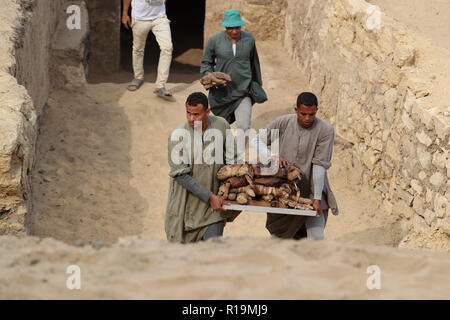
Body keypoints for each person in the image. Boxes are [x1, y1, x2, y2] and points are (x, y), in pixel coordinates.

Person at [250, 92, 339, 240]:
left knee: (315, 238)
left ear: (316, 110)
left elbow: (319, 165)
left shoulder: (325, 130)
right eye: (303, 114)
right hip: (285, 192)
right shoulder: (283, 122)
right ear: (296, 110)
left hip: (312, 190)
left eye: (312, 114)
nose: (307, 118)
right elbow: (256, 141)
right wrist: (272, 157)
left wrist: (316, 198)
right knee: (281, 239)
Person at [165, 92, 239, 243]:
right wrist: (209, 197)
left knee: (213, 254)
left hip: (213, 210)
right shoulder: (178, 136)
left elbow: (233, 159)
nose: (191, 119)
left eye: (196, 114)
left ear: (207, 111)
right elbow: (181, 175)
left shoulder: (221, 125)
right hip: (186, 208)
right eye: (188, 113)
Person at [200, 9, 267, 133]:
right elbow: (206, 62)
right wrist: (208, 76)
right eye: (230, 28)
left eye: (237, 27)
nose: (234, 31)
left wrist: (257, 86)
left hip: (243, 91)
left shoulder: (249, 40)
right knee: (220, 128)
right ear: (225, 27)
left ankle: (239, 152)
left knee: (244, 126)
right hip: (221, 93)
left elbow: (254, 64)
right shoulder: (215, 41)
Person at [122, 0, 173, 98]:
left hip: (159, 17)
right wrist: (125, 13)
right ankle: (138, 77)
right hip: (139, 18)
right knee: (138, 49)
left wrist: (162, 7)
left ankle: (160, 86)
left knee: (167, 48)